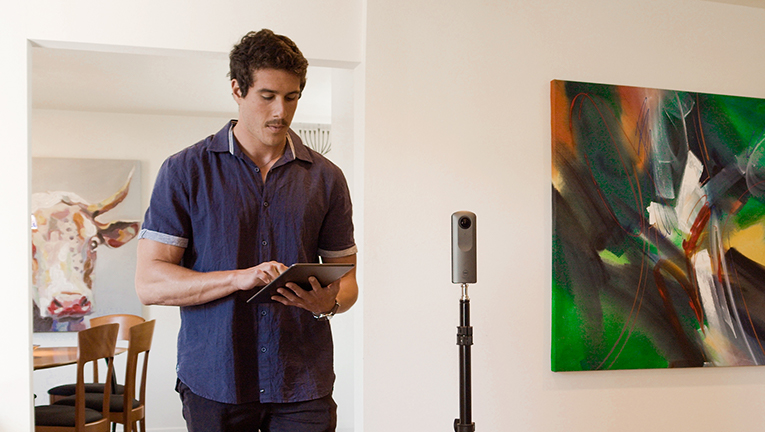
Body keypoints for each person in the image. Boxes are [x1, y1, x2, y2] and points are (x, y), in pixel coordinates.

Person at [135, 29, 358, 432]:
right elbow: (151, 283)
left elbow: (349, 281)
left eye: (292, 98)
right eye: (268, 96)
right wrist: (238, 279)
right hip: (215, 379)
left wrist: (327, 302)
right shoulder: (184, 171)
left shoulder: (327, 179)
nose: (281, 112)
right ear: (238, 89)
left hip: (302, 383)